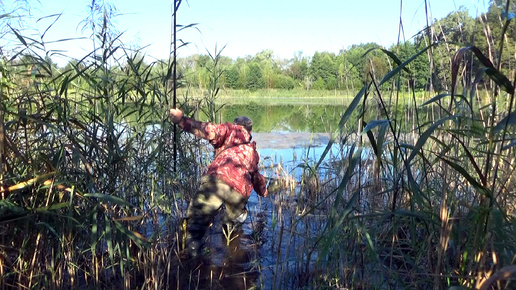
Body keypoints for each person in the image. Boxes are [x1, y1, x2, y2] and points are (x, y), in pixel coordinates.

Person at [169, 108, 268, 258]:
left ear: (236, 125)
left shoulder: (228, 130)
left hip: (217, 182)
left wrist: (182, 120)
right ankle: (233, 249)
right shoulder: (252, 151)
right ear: (250, 130)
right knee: (233, 224)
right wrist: (264, 192)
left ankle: (190, 264)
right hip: (239, 191)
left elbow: (206, 130)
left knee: (195, 227)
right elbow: (256, 177)